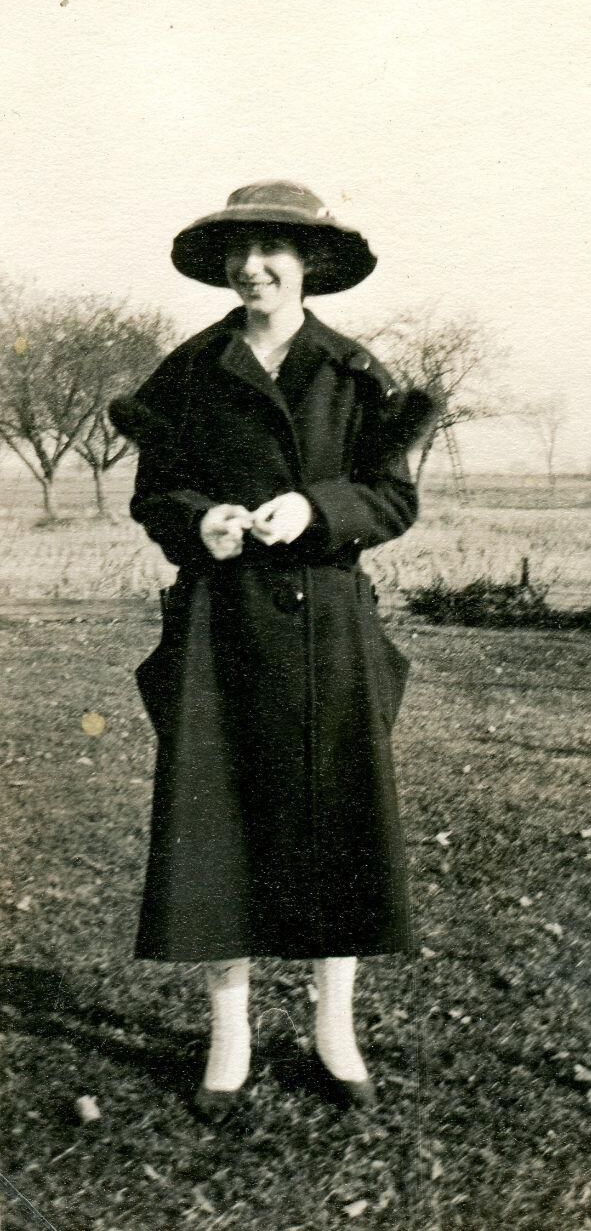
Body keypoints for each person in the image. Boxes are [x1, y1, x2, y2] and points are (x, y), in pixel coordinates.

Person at [109, 180, 435, 1122]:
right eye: (238, 252)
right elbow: (155, 493)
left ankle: (335, 1030)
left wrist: (317, 508)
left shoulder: (353, 371)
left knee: (341, 824)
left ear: (310, 265)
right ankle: (231, 1035)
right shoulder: (188, 370)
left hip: (329, 626)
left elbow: (392, 497)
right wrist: (198, 520)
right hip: (220, 627)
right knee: (217, 823)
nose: (252, 267)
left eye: (272, 251)